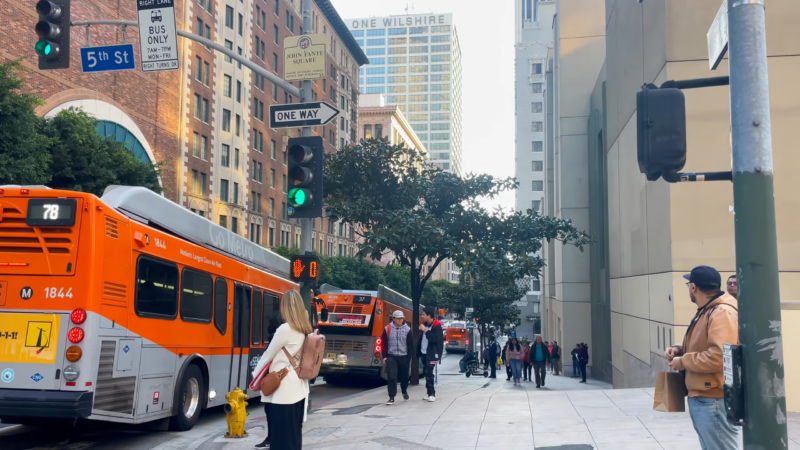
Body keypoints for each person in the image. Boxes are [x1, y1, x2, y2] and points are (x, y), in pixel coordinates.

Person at [666, 265, 739, 450]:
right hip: (707, 397)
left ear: (694, 287)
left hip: (713, 398)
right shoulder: (708, 310)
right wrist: (679, 350)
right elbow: (707, 346)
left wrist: (682, 361)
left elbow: (718, 356)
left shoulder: (721, 312)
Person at [252, 291, 313, 450]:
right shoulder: (305, 328)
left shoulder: (285, 329)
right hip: (299, 387)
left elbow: (267, 355)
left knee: (280, 438)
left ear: (285, 307)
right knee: (293, 436)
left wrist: (255, 379)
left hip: (283, 390)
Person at [381, 310, 413, 405]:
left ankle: (404, 391)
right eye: (398, 318)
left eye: (402, 318)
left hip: (404, 356)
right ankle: (391, 397)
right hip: (392, 356)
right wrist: (385, 356)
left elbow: (410, 345)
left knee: (404, 377)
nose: (400, 320)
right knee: (392, 376)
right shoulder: (387, 329)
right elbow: (384, 343)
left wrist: (408, 357)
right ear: (393, 319)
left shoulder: (407, 330)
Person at [417, 306, 443, 402]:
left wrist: (425, 330)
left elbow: (435, 339)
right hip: (424, 352)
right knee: (426, 373)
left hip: (432, 353)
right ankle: (428, 392)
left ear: (429, 315)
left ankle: (432, 393)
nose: (422, 316)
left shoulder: (437, 326)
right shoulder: (424, 324)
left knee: (429, 372)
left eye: (423, 314)